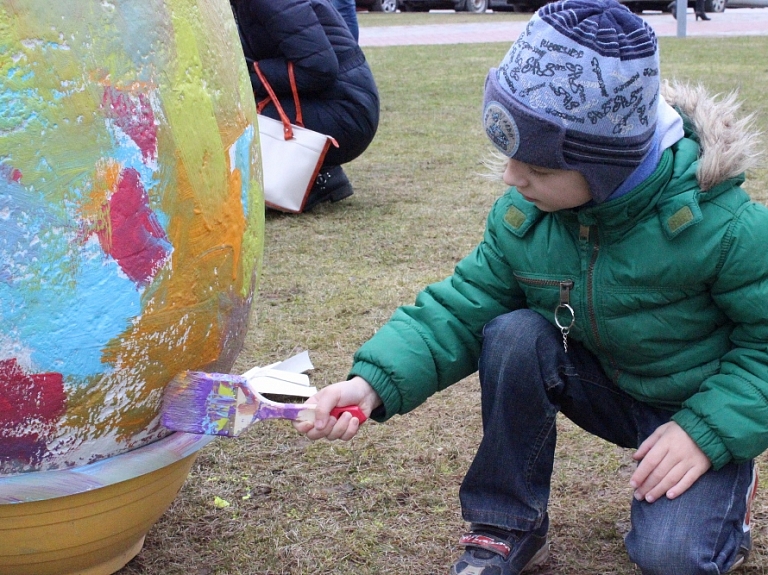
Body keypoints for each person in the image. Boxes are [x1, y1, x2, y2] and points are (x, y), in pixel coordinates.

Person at [294, 0, 768, 572]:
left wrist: (707, 432)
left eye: (538, 168)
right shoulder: (527, 216)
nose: (512, 178)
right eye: (511, 156)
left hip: (697, 403)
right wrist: (371, 384)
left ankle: (730, 497)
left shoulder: (727, 227)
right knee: (515, 333)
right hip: (606, 383)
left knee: (673, 559)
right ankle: (506, 524)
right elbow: (462, 306)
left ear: (606, 168)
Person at [231, 0, 379, 211]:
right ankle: (321, 175)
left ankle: (308, 176)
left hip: (346, 112)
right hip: (339, 101)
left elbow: (320, 68)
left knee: (233, 121)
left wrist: (251, 75)